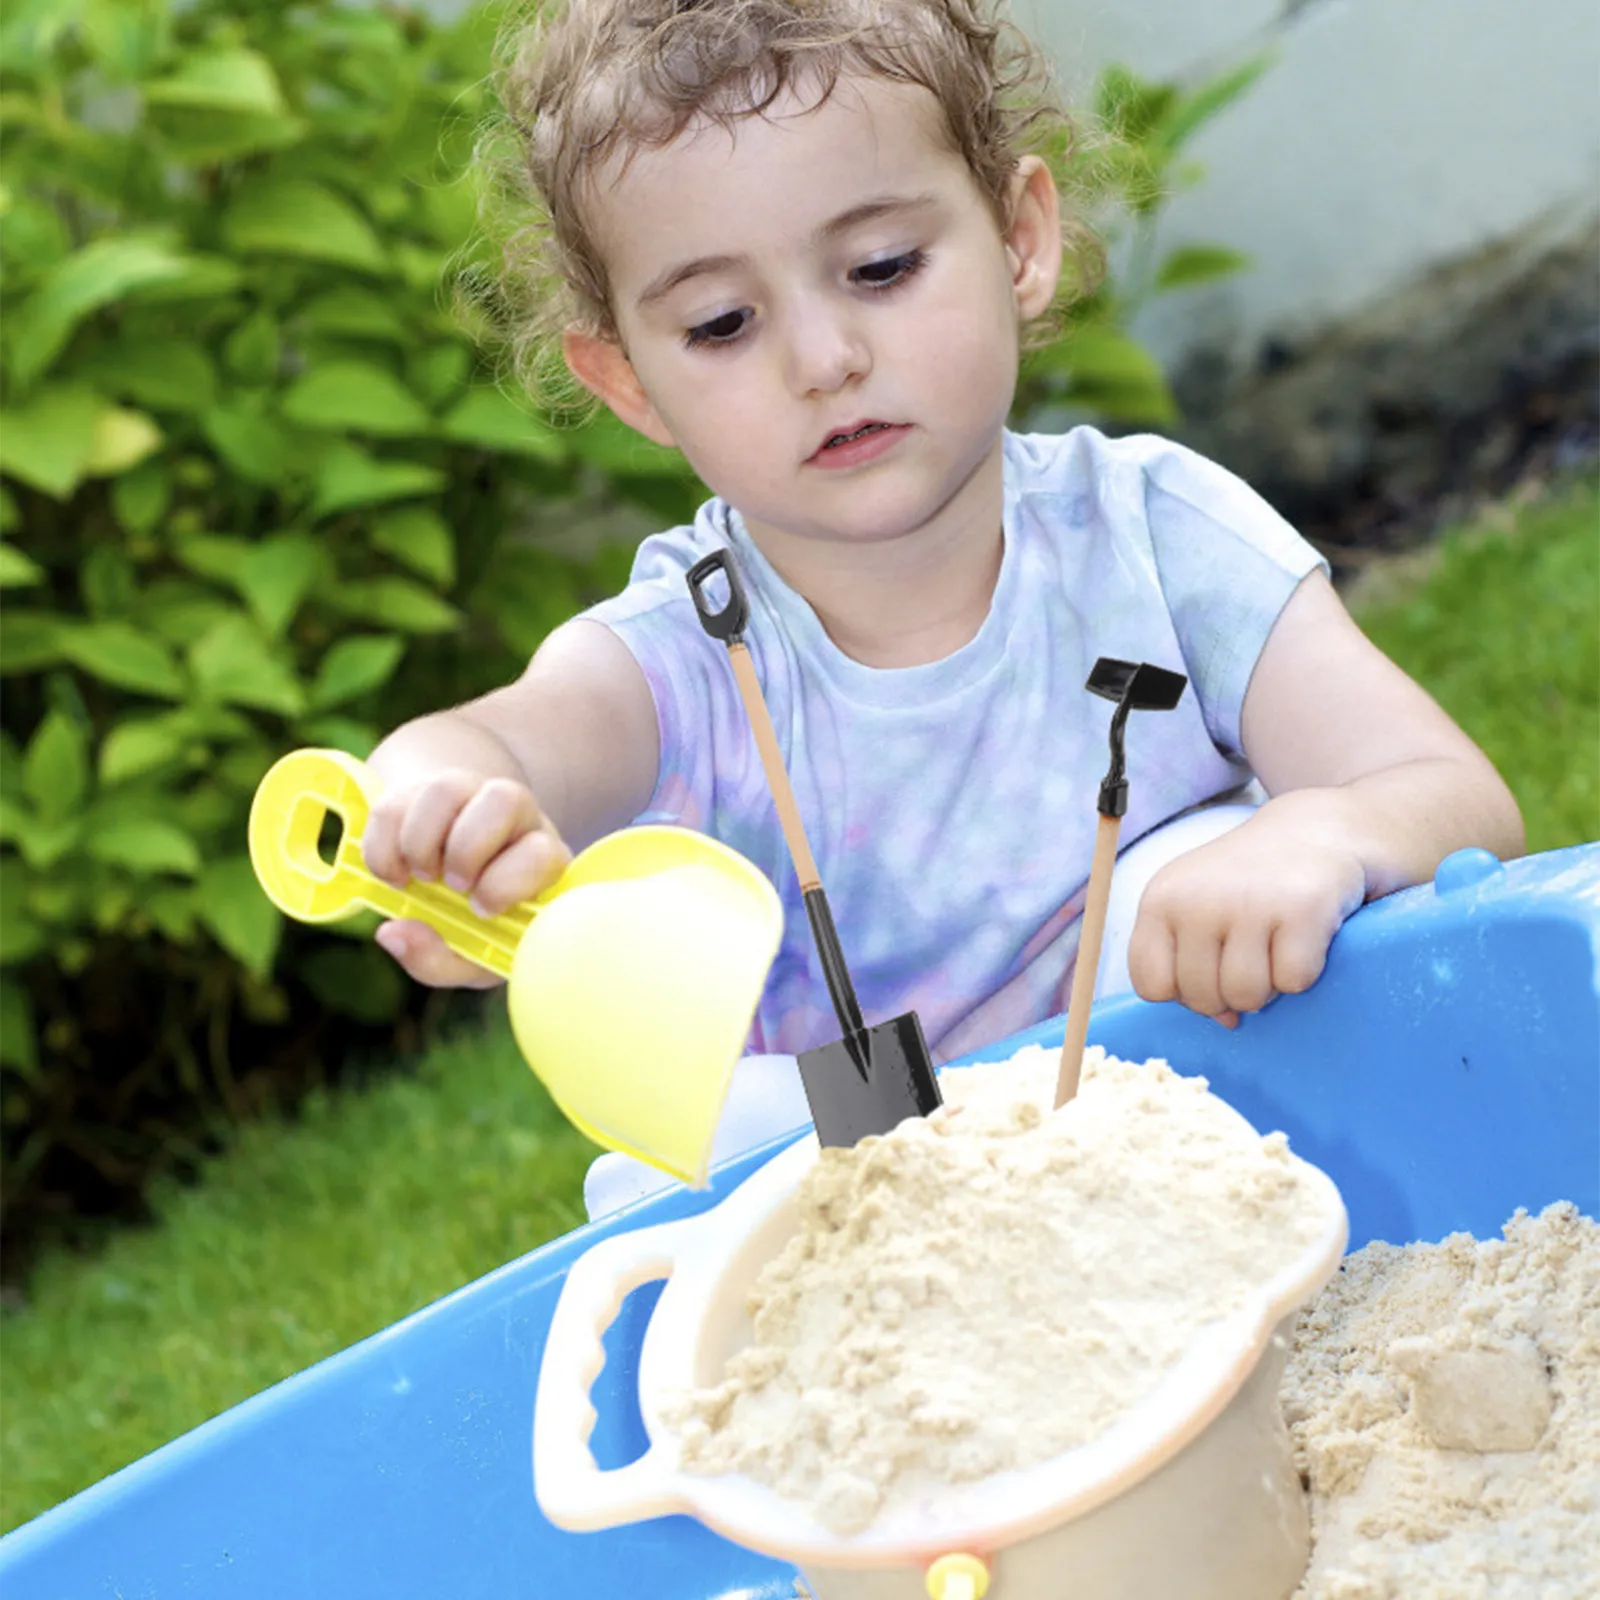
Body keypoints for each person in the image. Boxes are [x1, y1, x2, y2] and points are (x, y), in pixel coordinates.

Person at [361, 0, 1523, 1203]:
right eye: (720, 324)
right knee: (668, 1159)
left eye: (880, 269)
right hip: (884, 1182)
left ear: (1019, 239)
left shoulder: (1152, 537)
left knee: (1204, 866)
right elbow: (493, 739)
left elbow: (1453, 798)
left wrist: (1323, 832)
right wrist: (439, 813)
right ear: (630, 382)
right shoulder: (682, 659)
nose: (823, 358)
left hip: (1209, 1113)